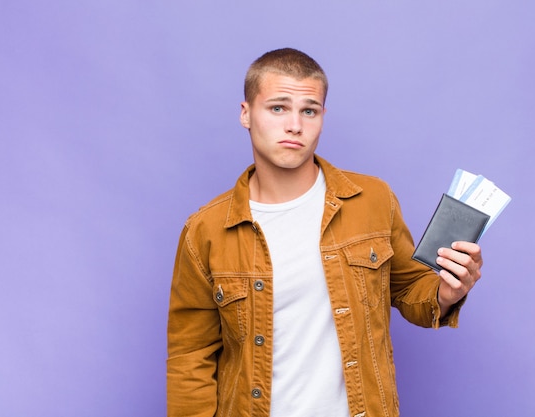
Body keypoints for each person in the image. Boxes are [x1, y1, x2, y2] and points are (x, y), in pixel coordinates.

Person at [167, 47, 483, 417]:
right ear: (246, 114)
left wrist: (446, 293)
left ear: (322, 117)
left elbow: (409, 289)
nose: (295, 126)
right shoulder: (205, 230)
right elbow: (190, 357)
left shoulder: (373, 200)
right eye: (278, 108)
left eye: (309, 110)